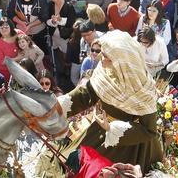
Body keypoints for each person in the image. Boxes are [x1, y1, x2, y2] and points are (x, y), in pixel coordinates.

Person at [59, 30, 163, 170]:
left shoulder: (142, 89)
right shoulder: (104, 71)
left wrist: (112, 128)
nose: (101, 58)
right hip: (96, 129)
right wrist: (61, 104)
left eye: (107, 56)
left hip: (125, 143)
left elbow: (149, 131)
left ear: (121, 60)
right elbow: (88, 93)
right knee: (71, 163)